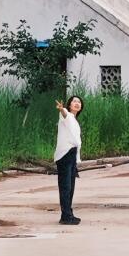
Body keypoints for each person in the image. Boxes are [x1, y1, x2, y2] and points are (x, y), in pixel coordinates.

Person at [54, 95, 83, 226]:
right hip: (65, 154)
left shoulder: (75, 121)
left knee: (70, 187)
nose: (77, 103)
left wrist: (76, 161)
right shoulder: (66, 116)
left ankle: (68, 214)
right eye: (74, 101)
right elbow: (64, 114)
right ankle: (65, 216)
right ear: (69, 105)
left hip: (72, 155)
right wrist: (61, 109)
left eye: (79, 102)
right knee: (65, 187)